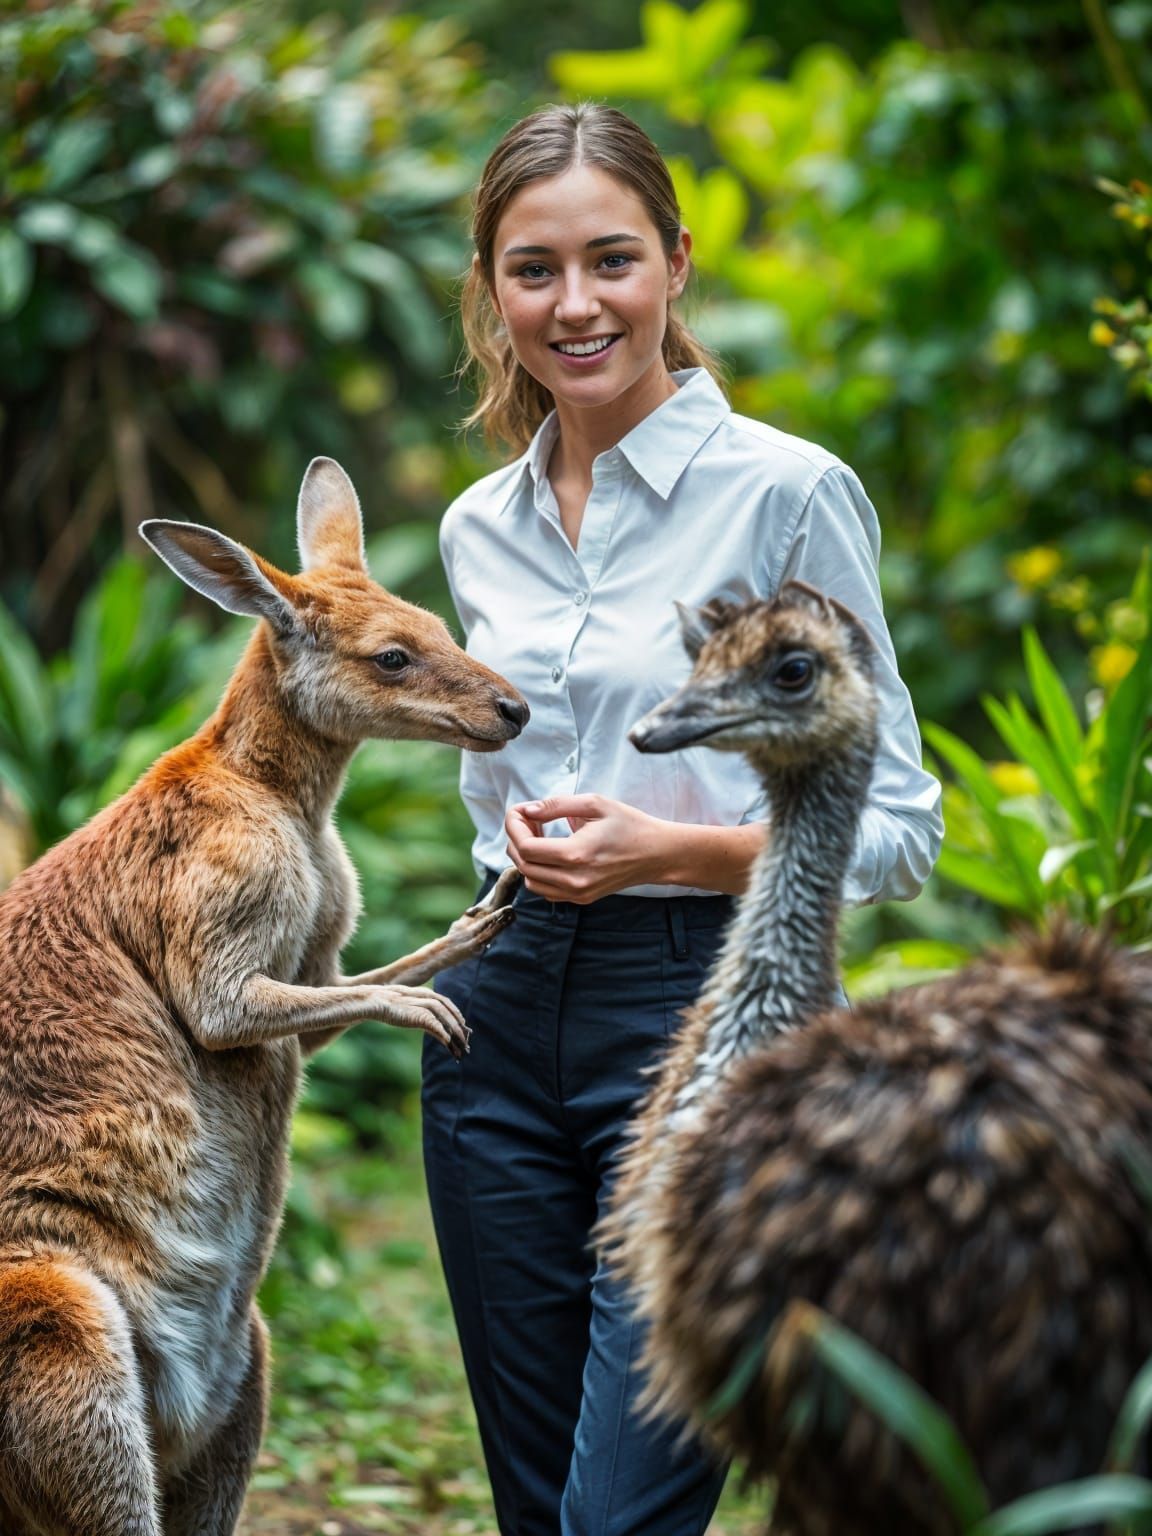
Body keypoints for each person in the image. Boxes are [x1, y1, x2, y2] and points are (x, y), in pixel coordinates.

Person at [422, 102, 943, 1536]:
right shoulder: (479, 526)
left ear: (675, 263)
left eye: (612, 260)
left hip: (709, 1009)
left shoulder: (786, 492)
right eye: (533, 271)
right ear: (492, 291)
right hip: (494, 1018)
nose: (575, 306)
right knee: (543, 1516)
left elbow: (897, 825)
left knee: (619, 1519)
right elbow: (491, 790)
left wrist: (674, 851)